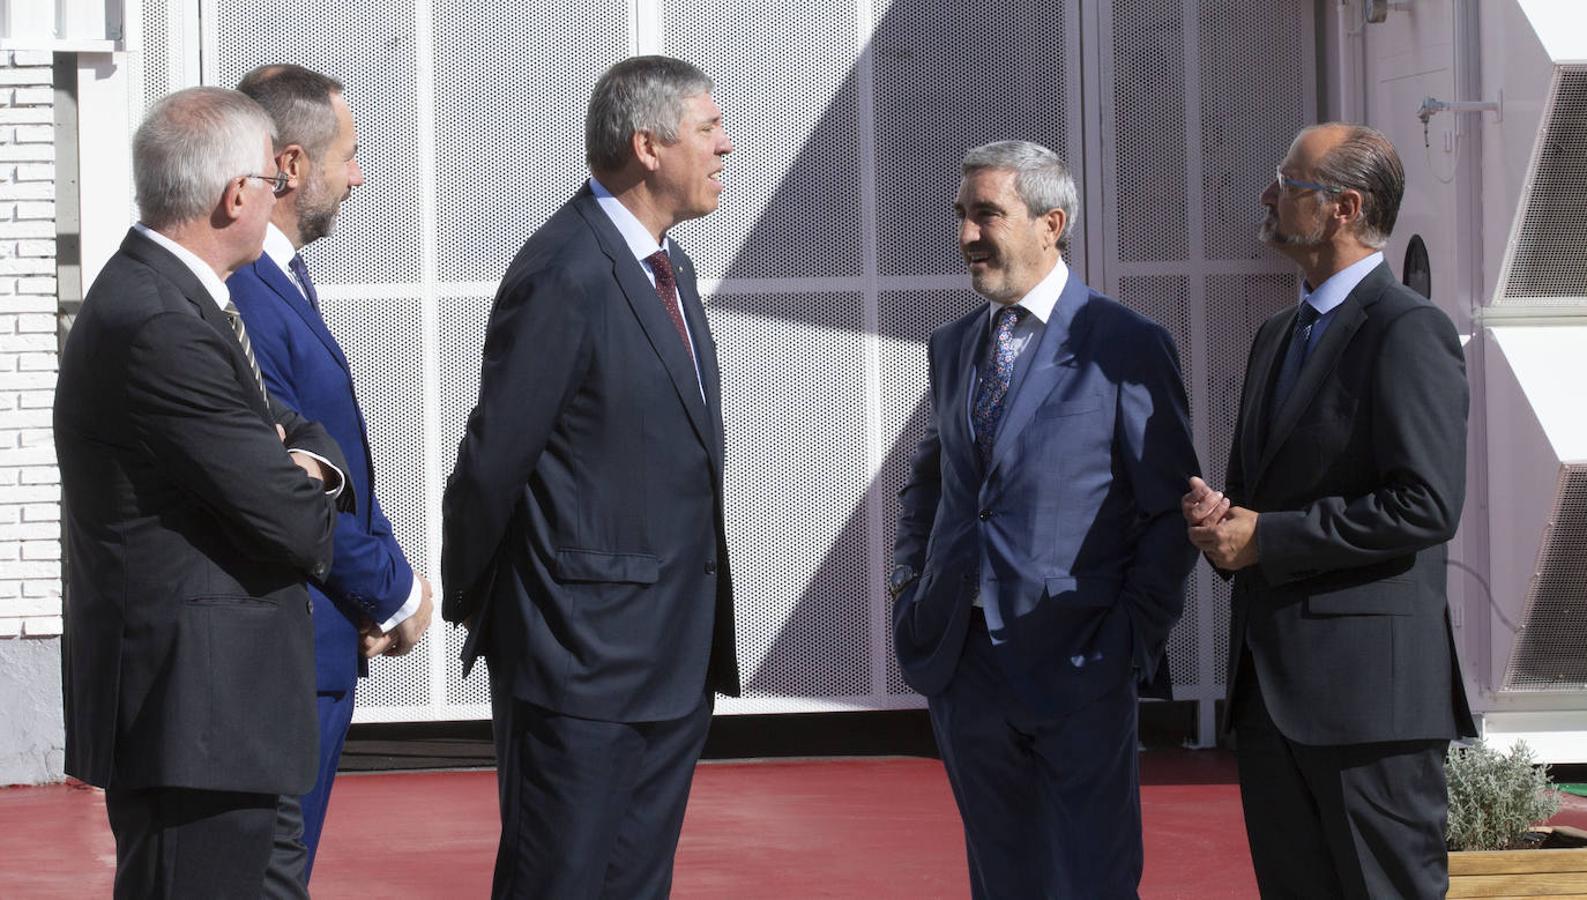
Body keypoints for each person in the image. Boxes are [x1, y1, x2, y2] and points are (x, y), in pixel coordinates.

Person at [440, 55, 740, 899]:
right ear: (648, 146)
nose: (727, 145)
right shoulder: (565, 270)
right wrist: (493, 613)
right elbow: (492, 463)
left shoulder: (666, 266)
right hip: (579, 662)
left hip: (668, 654)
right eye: (709, 128)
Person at [54, 86, 353, 899]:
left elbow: (296, 433)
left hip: (218, 710)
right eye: (272, 181)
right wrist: (295, 473)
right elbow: (291, 519)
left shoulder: (181, 299)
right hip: (196, 714)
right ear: (234, 196)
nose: (279, 194)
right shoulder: (159, 319)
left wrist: (301, 462)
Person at [891, 140, 1199, 898]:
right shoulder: (955, 345)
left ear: (1049, 223)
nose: (965, 235)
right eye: (961, 215)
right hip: (964, 665)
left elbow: (1168, 512)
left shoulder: (1126, 344)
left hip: (1079, 661)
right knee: (1002, 879)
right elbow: (932, 480)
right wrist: (909, 581)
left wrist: (1127, 642)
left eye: (985, 214)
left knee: (1092, 878)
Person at [1183, 122, 1474, 899]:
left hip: (1369, 707)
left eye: (1288, 183)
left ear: (1343, 207)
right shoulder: (1277, 335)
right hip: (1269, 692)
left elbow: (1425, 504)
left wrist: (1266, 538)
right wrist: (1222, 525)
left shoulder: (1408, 329)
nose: (1267, 196)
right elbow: (1262, 501)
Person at [228, 63, 435, 885]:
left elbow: (342, 461)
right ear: (287, 165)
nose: (359, 175)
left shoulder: (283, 280)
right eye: (347, 156)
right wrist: (391, 590)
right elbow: (288, 486)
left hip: (318, 640)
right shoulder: (243, 292)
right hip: (282, 651)